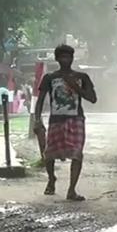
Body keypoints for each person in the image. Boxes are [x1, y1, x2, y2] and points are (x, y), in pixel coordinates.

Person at [34, 44, 97, 201]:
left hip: (76, 119)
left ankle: (71, 190)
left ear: (72, 58)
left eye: (68, 57)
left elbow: (93, 99)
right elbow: (40, 100)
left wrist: (75, 86)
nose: (66, 60)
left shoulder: (81, 77)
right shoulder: (50, 78)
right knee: (50, 155)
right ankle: (51, 179)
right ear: (56, 59)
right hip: (56, 120)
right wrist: (37, 120)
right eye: (62, 57)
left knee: (76, 154)